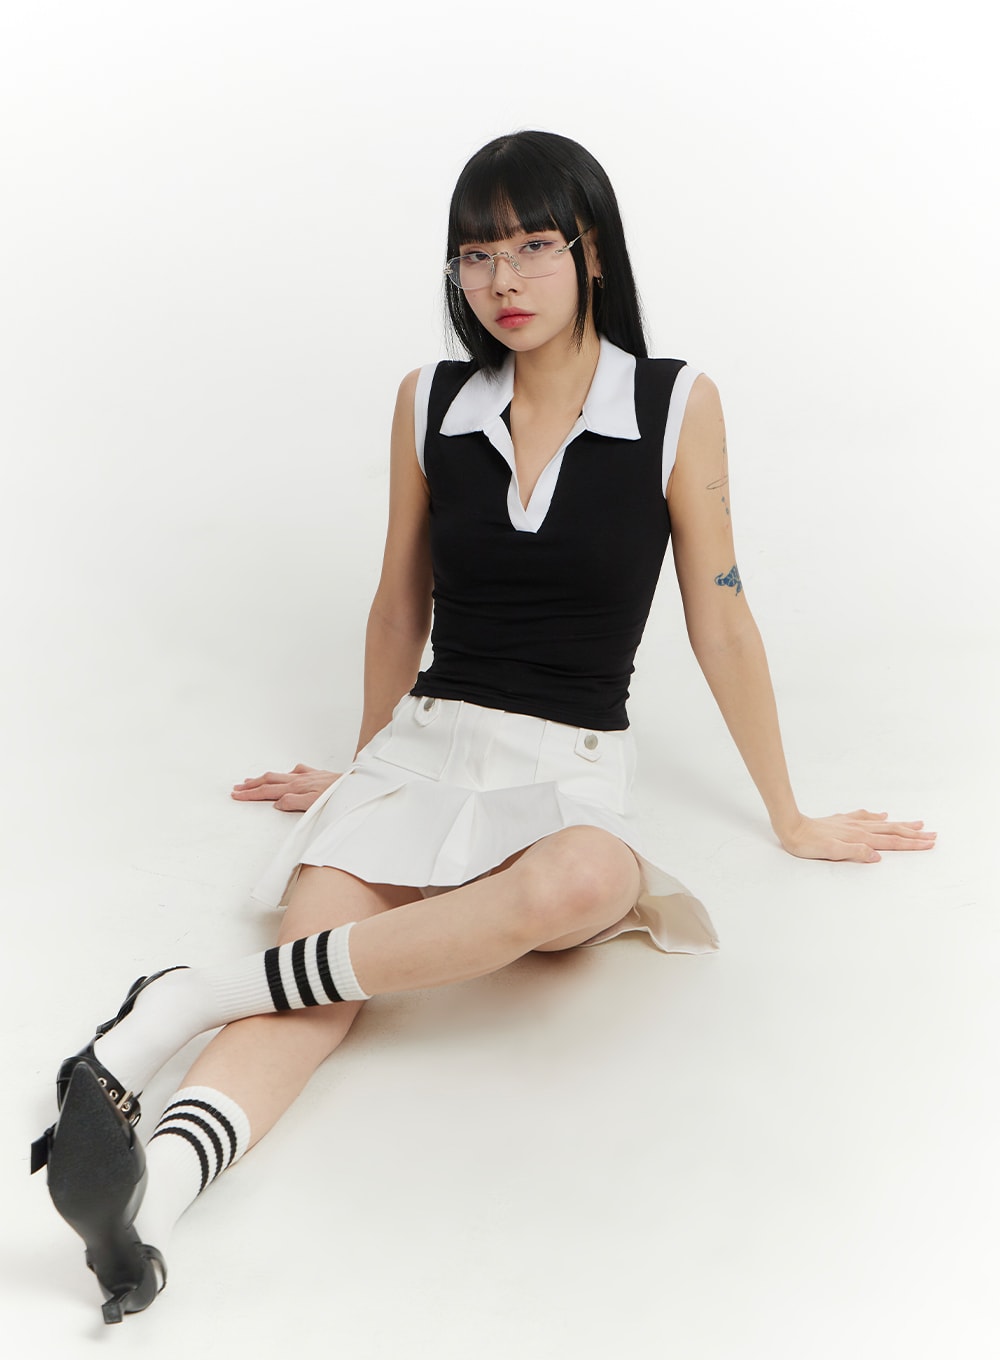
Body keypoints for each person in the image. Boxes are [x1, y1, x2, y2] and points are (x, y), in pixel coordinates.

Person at [32, 130, 935, 1323]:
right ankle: (156, 1209)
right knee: (316, 993)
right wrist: (359, 766)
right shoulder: (430, 401)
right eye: (474, 254)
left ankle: (190, 993)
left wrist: (791, 813)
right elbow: (398, 601)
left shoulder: (672, 402)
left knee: (585, 880)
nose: (501, 280)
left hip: (563, 767)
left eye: (532, 246)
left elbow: (720, 614)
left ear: (592, 252)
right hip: (422, 746)